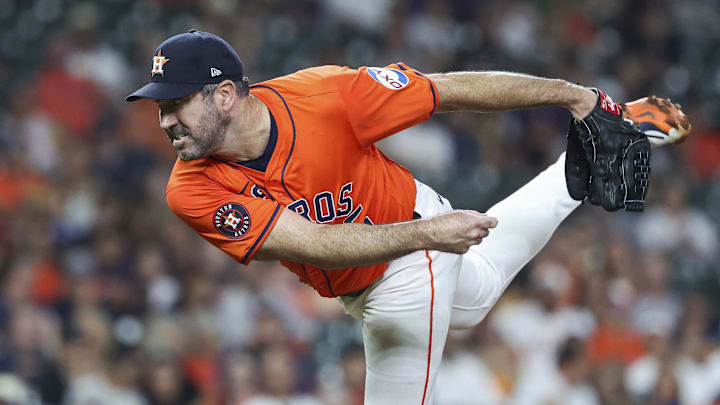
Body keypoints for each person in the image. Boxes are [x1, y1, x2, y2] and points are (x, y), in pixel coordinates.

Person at [126, 30, 689, 404]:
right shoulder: (189, 188)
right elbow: (314, 243)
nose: (164, 121)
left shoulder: (326, 96)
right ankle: (589, 160)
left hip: (406, 260)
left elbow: (446, 90)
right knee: (480, 291)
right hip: (401, 246)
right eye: (159, 106)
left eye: (175, 104)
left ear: (224, 95)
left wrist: (573, 97)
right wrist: (432, 235)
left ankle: (602, 133)